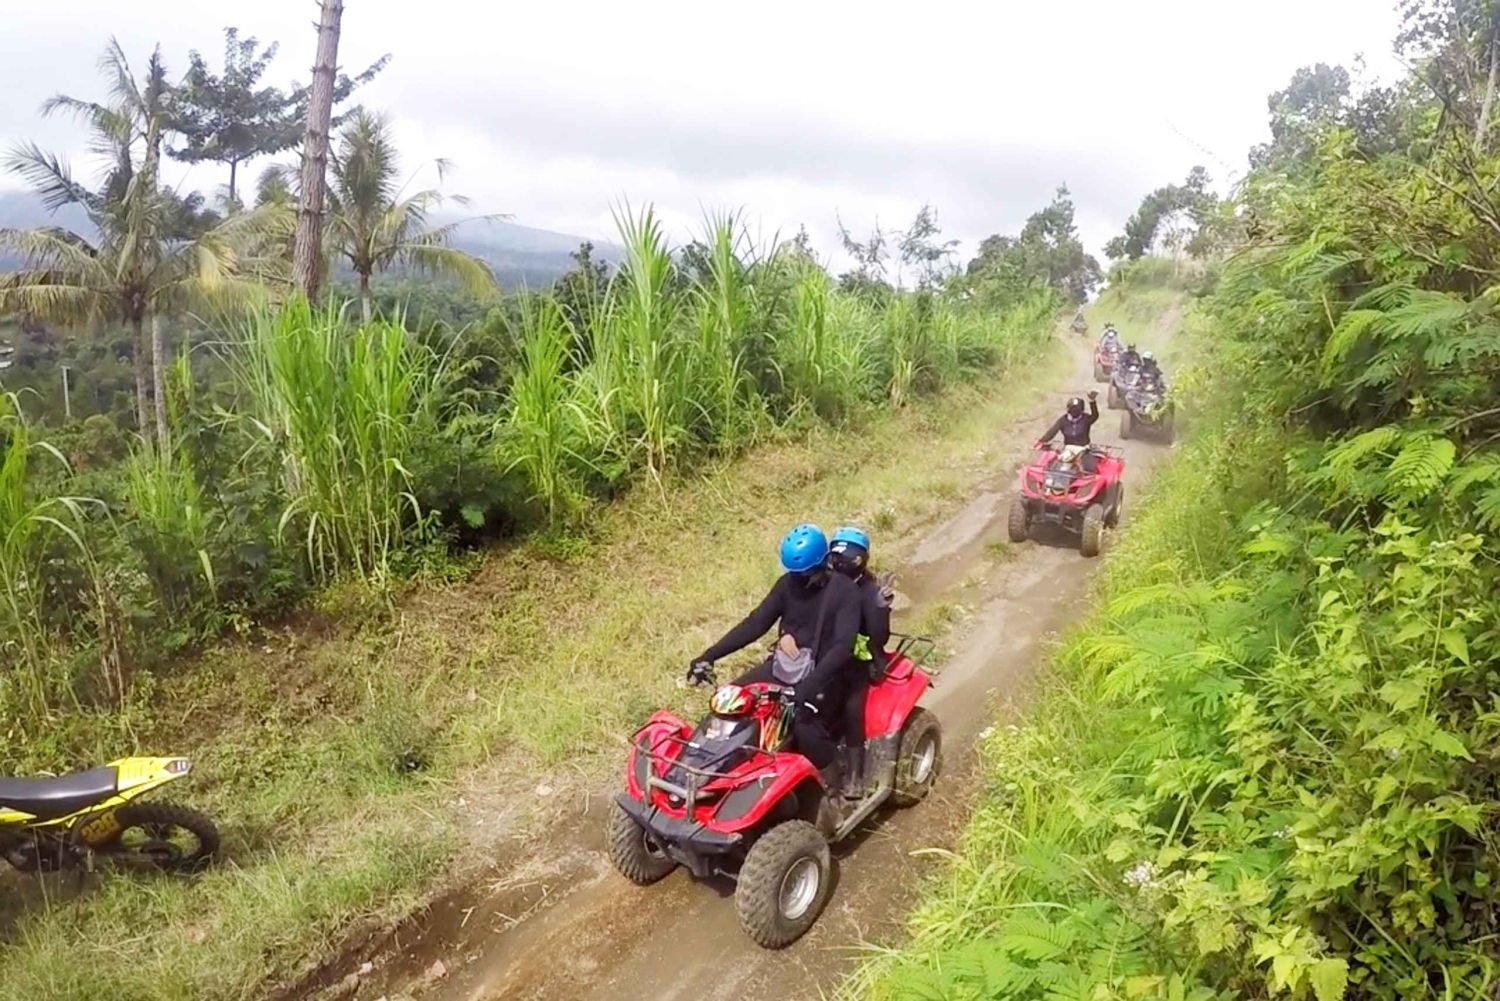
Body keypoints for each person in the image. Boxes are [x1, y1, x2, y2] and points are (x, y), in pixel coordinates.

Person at [687, 524, 863, 774]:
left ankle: (833, 781)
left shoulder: (845, 592)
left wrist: (809, 686)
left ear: (824, 562)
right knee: (732, 701)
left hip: (826, 673)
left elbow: (843, 647)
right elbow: (756, 623)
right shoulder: (788, 584)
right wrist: (710, 656)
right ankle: (709, 771)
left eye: (807, 572)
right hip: (787, 667)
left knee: (801, 724)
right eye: (796, 573)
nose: (801, 579)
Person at [827, 526, 893, 798]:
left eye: (847, 559)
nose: (840, 563)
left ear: (859, 561)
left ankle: (854, 777)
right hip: (827, 656)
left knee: (852, 710)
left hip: (858, 662)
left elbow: (879, 638)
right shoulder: (826, 584)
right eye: (836, 557)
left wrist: (880, 607)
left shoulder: (868, 592)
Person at [1036, 392, 1100, 449]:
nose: (1074, 411)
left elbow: (1095, 415)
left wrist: (1092, 401)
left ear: (1082, 410)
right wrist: (1042, 441)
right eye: (1072, 408)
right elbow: (1052, 431)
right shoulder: (1063, 420)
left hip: (1084, 448)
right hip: (1068, 449)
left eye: (1077, 409)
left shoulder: (1086, 418)